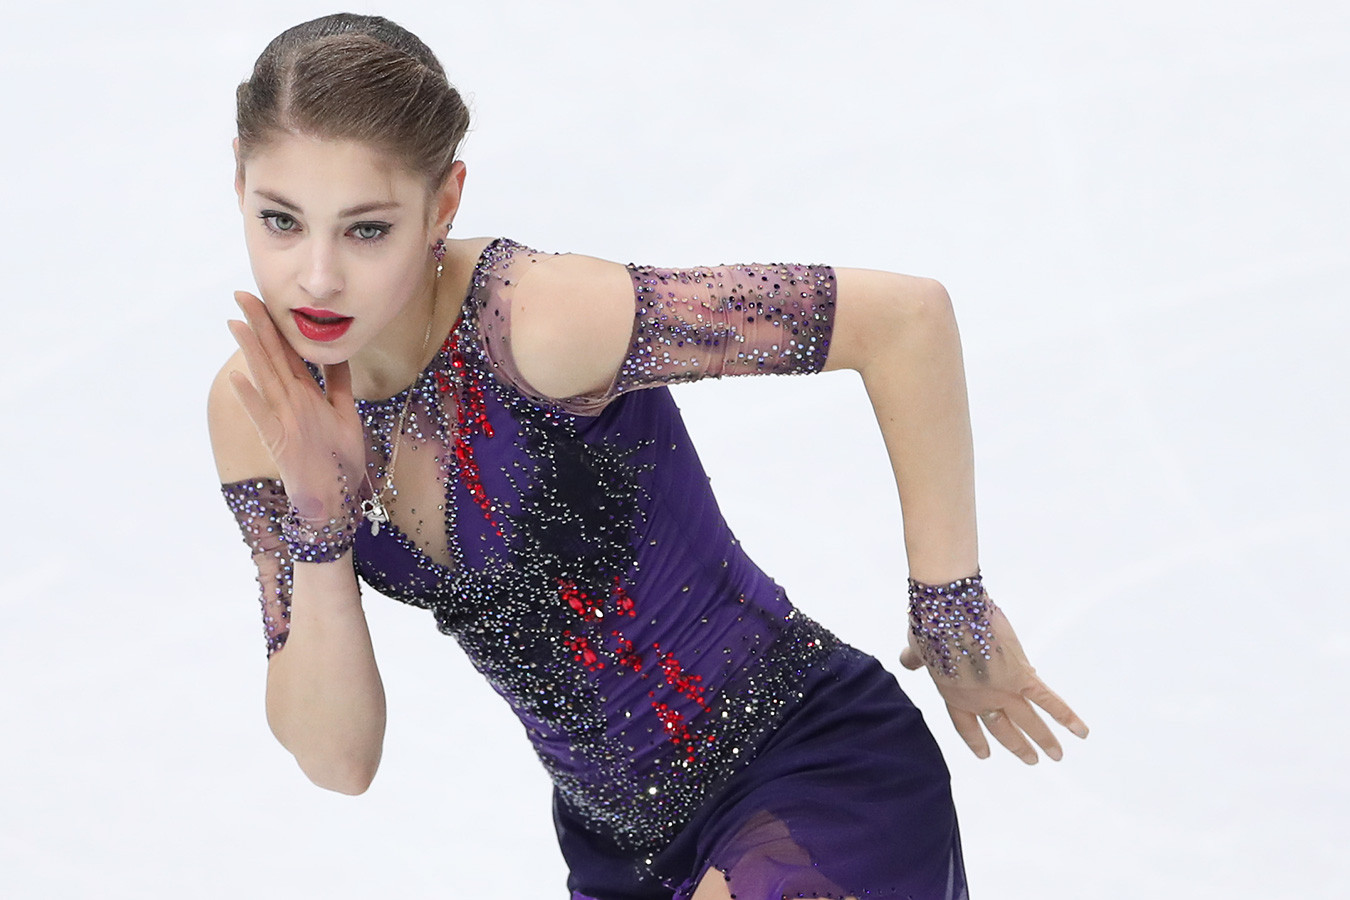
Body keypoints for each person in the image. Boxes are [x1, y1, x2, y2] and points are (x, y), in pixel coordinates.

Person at [209, 13, 1088, 900]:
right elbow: (338, 759)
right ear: (238, 181)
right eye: (281, 221)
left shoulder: (534, 323)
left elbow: (904, 322)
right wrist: (319, 519)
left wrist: (951, 608)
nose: (316, 278)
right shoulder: (254, 415)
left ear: (442, 206)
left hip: (808, 773)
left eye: (365, 230)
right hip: (616, 857)